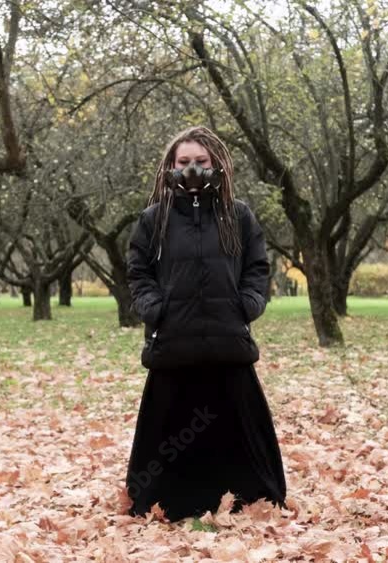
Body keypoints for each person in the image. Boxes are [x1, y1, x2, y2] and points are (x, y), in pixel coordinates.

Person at [124, 125, 288, 521]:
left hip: (228, 343)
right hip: (173, 346)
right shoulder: (153, 220)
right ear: (170, 165)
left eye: (200, 161)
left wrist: (246, 305)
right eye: (184, 161)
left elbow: (257, 268)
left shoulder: (239, 216)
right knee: (171, 435)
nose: (192, 169)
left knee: (238, 431)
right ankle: (171, 504)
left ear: (216, 164)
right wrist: (154, 309)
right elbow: (138, 271)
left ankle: (248, 502)